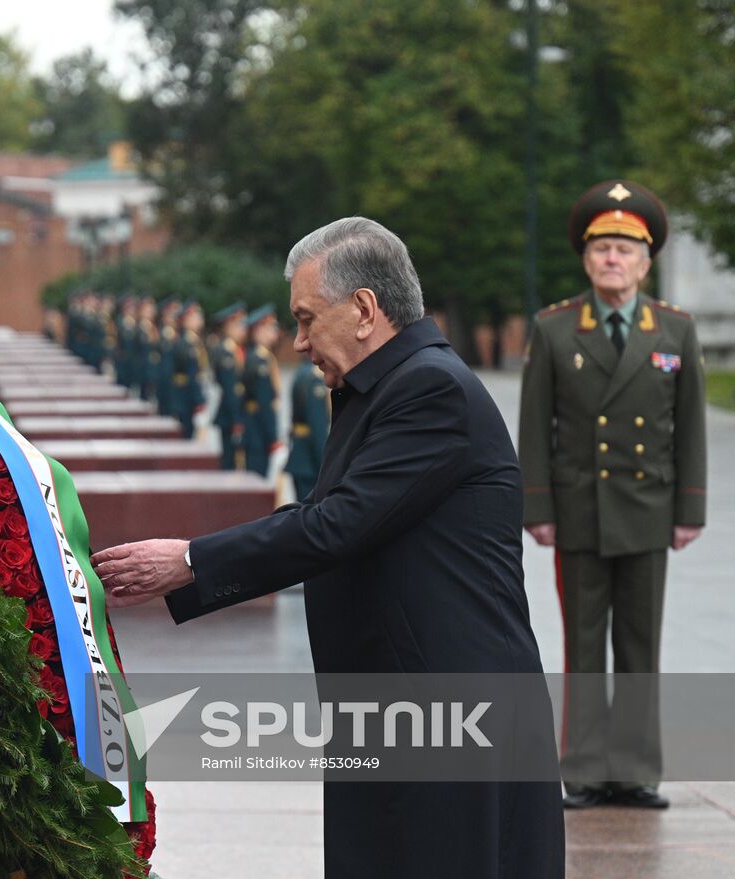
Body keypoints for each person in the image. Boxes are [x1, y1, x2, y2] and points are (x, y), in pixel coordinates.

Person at [92, 217, 564, 878]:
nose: (300, 340)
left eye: (309, 318)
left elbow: (335, 523)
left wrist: (190, 560)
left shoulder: (429, 391)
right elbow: (326, 515)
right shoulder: (384, 390)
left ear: (365, 310)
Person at [518, 180, 706, 810]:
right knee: (582, 643)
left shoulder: (674, 332)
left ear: (646, 261)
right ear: (586, 259)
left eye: (625, 249)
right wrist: (537, 508)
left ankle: (635, 771)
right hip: (581, 512)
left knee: (639, 644)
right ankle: (586, 771)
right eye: (602, 249)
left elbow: (693, 428)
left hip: (649, 512)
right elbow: (536, 427)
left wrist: (691, 508)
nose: (613, 259)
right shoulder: (554, 330)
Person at [241, 304, 283, 478]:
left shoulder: (262, 358)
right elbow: (264, 403)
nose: (275, 332)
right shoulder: (259, 362)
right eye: (271, 328)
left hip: (255, 430)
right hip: (258, 432)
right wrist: (273, 438)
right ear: (258, 330)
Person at [209, 302, 247, 469]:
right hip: (230, 414)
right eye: (240, 325)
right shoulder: (226, 353)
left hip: (234, 412)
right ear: (229, 326)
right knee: (230, 463)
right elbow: (231, 389)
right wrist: (237, 420)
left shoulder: (235, 350)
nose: (243, 330)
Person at [285, 357, 329, 499]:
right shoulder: (315, 379)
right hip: (310, 460)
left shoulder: (302, 372)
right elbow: (318, 427)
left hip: (300, 454)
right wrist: (325, 465)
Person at [167, 300, 209, 438]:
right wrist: (199, 403)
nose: (199, 320)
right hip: (186, 399)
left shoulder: (192, 342)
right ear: (185, 320)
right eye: (195, 317)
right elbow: (192, 376)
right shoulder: (185, 345)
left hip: (186, 398)